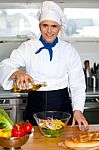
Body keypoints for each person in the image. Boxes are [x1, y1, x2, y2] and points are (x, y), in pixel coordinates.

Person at [0, 1, 89, 131]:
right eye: (44, 25)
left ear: (60, 27)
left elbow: (78, 85)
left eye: (54, 26)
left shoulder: (69, 50)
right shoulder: (28, 47)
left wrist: (78, 110)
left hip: (61, 106)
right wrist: (16, 73)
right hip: (35, 105)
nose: (48, 31)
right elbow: (5, 65)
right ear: (39, 26)